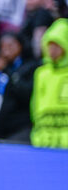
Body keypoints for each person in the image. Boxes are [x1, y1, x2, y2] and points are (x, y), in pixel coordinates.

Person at [31, 18, 68, 149]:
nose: (52, 50)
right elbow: (35, 104)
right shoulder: (41, 73)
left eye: (57, 45)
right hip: (44, 136)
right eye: (49, 45)